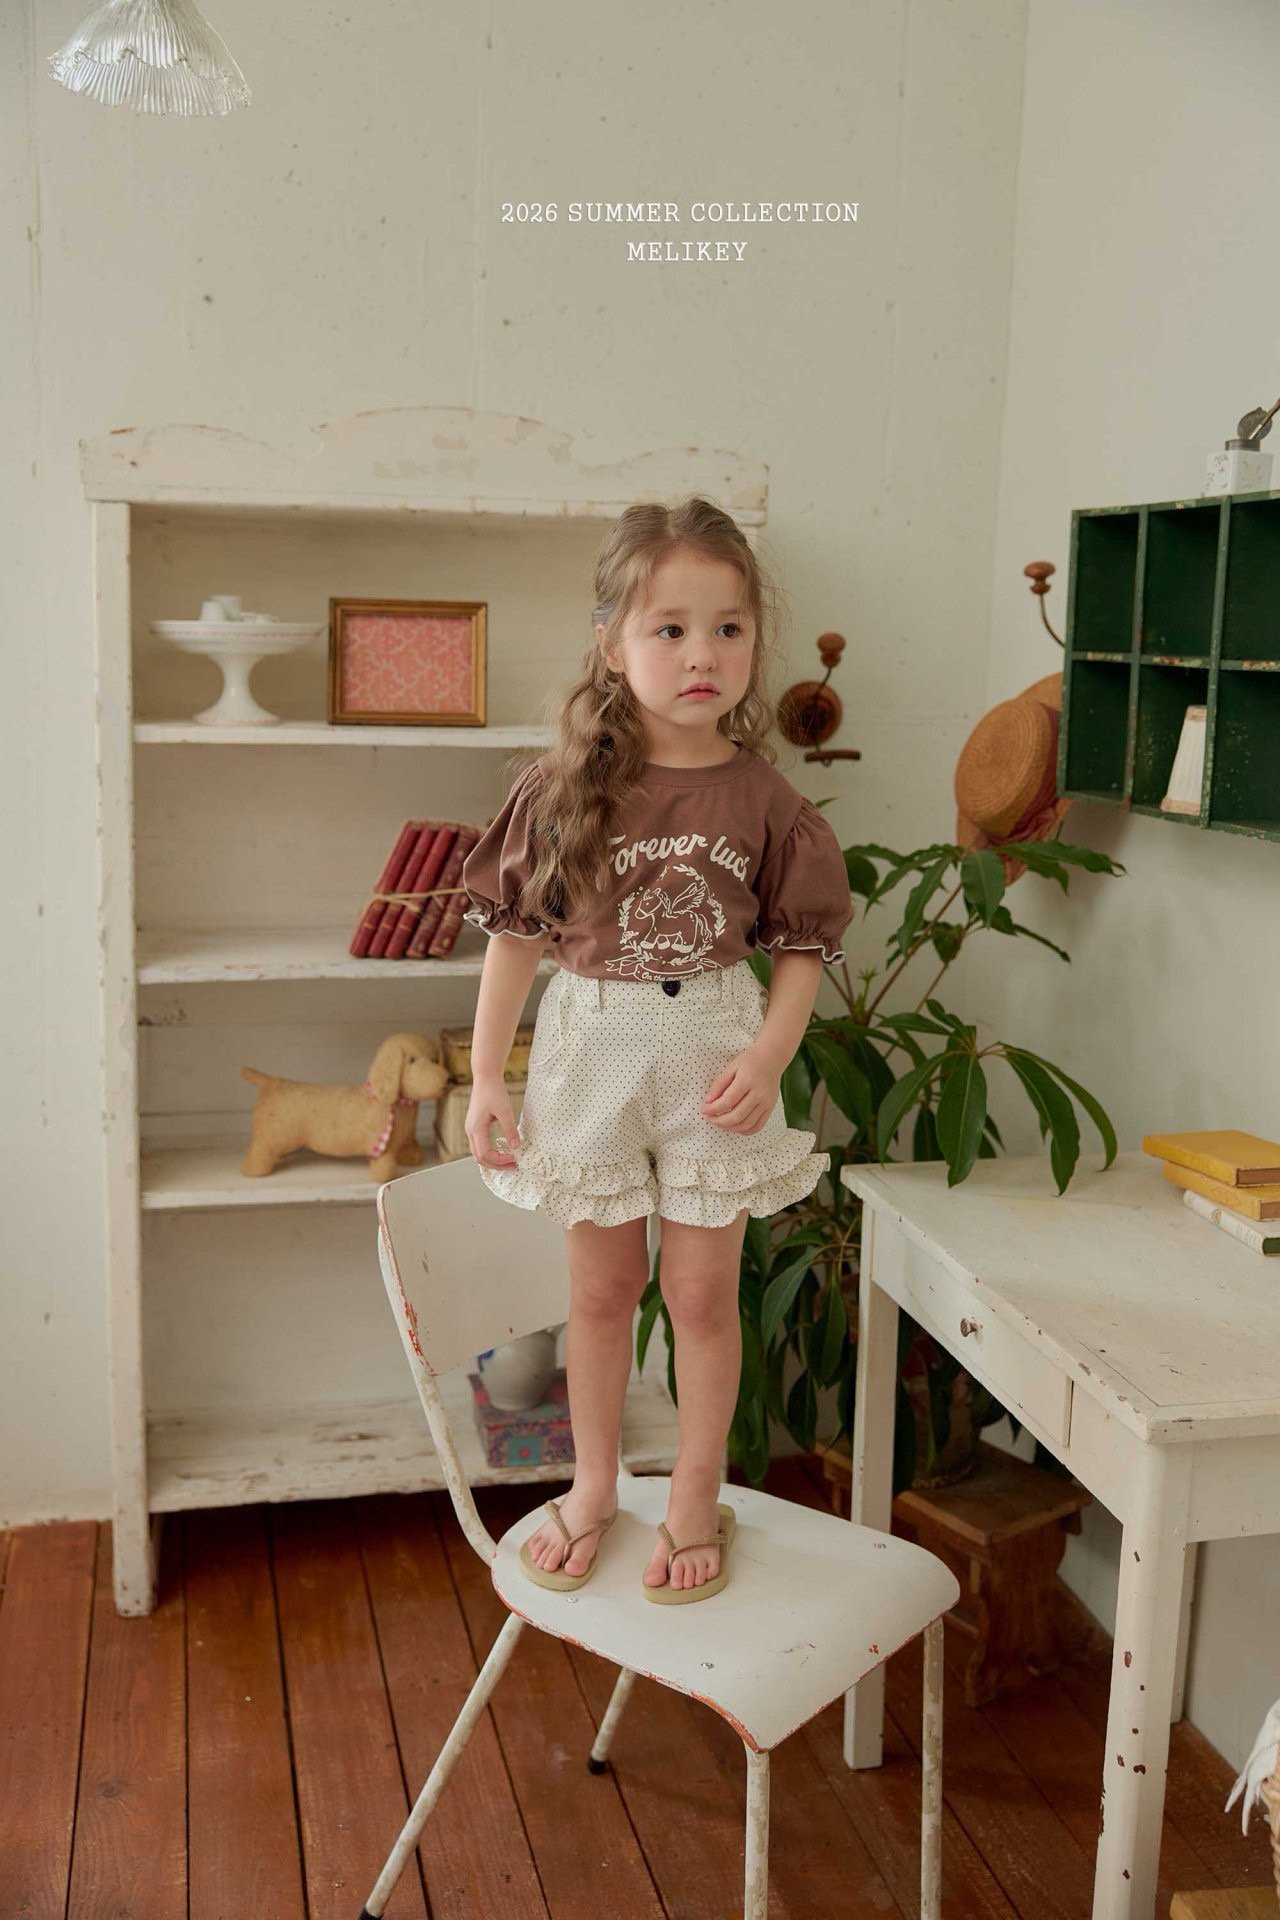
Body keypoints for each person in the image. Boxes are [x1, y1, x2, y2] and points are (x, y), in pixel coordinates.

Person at [461, 496, 854, 1603]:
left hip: (713, 1062)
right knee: (601, 1293)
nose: (701, 656)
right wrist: (487, 1076)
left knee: (700, 1295)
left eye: (728, 629)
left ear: (754, 644)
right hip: (589, 1057)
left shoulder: (765, 797)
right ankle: (592, 1484)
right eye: (669, 629)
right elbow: (513, 941)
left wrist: (770, 1056)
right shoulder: (563, 792)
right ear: (611, 642)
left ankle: (693, 1488)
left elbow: (801, 947)